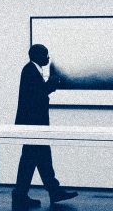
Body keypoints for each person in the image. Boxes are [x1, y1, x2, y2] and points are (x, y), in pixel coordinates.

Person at [12, 44, 78, 210]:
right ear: (38, 56)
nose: (48, 58)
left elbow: (35, 95)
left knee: (40, 158)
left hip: (34, 124)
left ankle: (49, 191)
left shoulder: (31, 70)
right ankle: (23, 194)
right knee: (32, 158)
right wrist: (51, 84)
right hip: (32, 124)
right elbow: (36, 95)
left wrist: (49, 84)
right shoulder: (30, 71)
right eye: (46, 55)